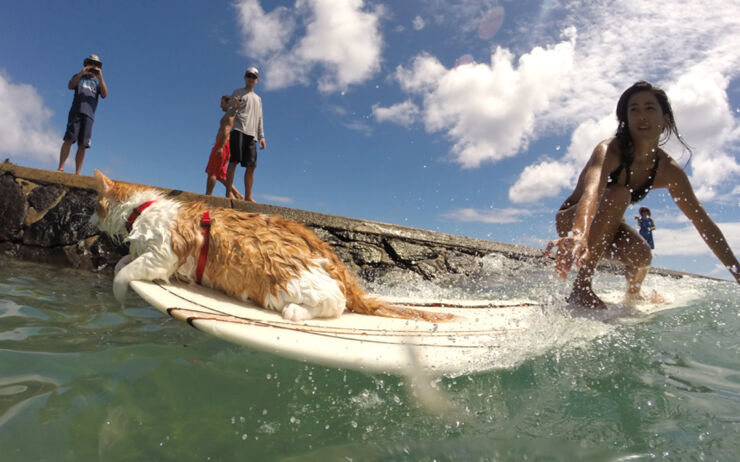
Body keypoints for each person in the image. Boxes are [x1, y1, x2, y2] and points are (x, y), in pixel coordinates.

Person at [545, 81, 740, 309]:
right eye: (634, 110)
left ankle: (633, 297)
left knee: (642, 256)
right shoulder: (609, 150)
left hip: (610, 226)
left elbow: (701, 220)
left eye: (649, 108)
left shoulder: (668, 170)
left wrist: (736, 270)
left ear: (665, 118)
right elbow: (591, 192)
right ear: (626, 119)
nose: (641, 116)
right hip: (574, 222)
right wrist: (578, 234)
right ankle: (582, 288)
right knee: (619, 193)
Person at [58, 54, 108, 175]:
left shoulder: (97, 82)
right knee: (69, 139)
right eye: (91, 63)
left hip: (89, 116)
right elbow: (70, 86)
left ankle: (78, 173)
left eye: (96, 65)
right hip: (76, 111)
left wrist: (100, 76)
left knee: (83, 145)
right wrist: (82, 72)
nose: (93, 66)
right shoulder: (79, 77)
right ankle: (61, 168)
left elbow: (105, 94)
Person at [224, 66, 266, 202]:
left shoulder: (258, 99)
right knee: (234, 161)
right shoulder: (238, 92)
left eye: (253, 77)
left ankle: (248, 196)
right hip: (238, 130)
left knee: (252, 165)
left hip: (252, 135)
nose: (251, 79)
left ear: (257, 80)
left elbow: (260, 117)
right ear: (245, 77)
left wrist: (261, 136)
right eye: (249, 76)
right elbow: (230, 112)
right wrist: (235, 106)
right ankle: (228, 192)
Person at [205, 95, 244, 199]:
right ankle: (237, 194)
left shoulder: (230, 114)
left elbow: (227, 129)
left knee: (212, 172)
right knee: (220, 174)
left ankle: (208, 197)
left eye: (222, 103)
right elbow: (241, 101)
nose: (220, 106)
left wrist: (221, 146)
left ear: (228, 103)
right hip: (225, 145)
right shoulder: (231, 112)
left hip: (223, 144)